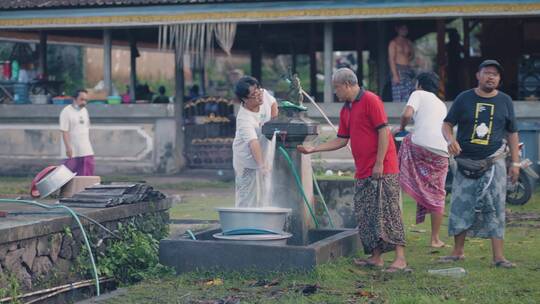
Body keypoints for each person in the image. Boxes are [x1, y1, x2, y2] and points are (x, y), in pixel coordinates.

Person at [297, 68, 408, 272]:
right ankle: (376, 257)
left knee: (389, 210)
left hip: (383, 167)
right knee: (366, 211)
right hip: (363, 168)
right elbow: (341, 139)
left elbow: (383, 132)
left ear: (347, 84)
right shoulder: (346, 109)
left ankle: (400, 258)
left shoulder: (371, 100)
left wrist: (379, 163)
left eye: (337, 88)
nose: (336, 93)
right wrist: (314, 148)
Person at [441, 60, 520, 268]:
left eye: (495, 74)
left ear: (499, 79)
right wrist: (451, 140)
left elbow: (512, 132)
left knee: (495, 207)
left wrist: (516, 163)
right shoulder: (464, 98)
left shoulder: (505, 101)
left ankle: (499, 257)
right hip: (465, 160)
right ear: (478, 75)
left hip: (494, 162)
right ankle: (457, 252)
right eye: (487, 73)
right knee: (460, 205)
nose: (491, 77)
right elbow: (447, 124)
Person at [395, 72, 449, 248]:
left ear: (419, 84)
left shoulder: (417, 94)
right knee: (438, 193)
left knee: (406, 140)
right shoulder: (442, 104)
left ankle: (400, 178)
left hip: (420, 146)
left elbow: (407, 113)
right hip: (441, 151)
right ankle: (435, 239)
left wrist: (401, 127)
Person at [232, 76, 278, 207]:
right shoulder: (244, 119)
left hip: (263, 152)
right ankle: (243, 224)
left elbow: (273, 103)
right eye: (254, 94)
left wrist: (274, 122)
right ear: (244, 99)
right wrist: (262, 165)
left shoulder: (263, 94)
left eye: (258, 90)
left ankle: (261, 223)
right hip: (246, 161)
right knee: (246, 196)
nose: (259, 95)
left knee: (265, 194)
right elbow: (253, 143)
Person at [60, 89, 95, 176]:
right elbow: (64, 131)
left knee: (87, 176)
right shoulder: (66, 111)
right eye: (81, 99)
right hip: (72, 151)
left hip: (86, 149)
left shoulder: (84, 111)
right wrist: (68, 148)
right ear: (74, 99)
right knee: (69, 176)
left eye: (86, 100)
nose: (84, 102)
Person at [388, 24, 415, 102]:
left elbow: (412, 56)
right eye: (402, 28)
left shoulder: (408, 42)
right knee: (399, 95)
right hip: (398, 69)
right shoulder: (393, 43)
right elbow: (391, 59)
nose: (404, 30)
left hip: (408, 70)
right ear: (397, 29)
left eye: (405, 28)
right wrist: (395, 75)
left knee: (409, 94)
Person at [445, 29, 465, 100]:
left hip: (457, 65)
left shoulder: (457, 44)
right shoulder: (449, 45)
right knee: (453, 81)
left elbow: (464, 52)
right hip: (452, 65)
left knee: (457, 81)